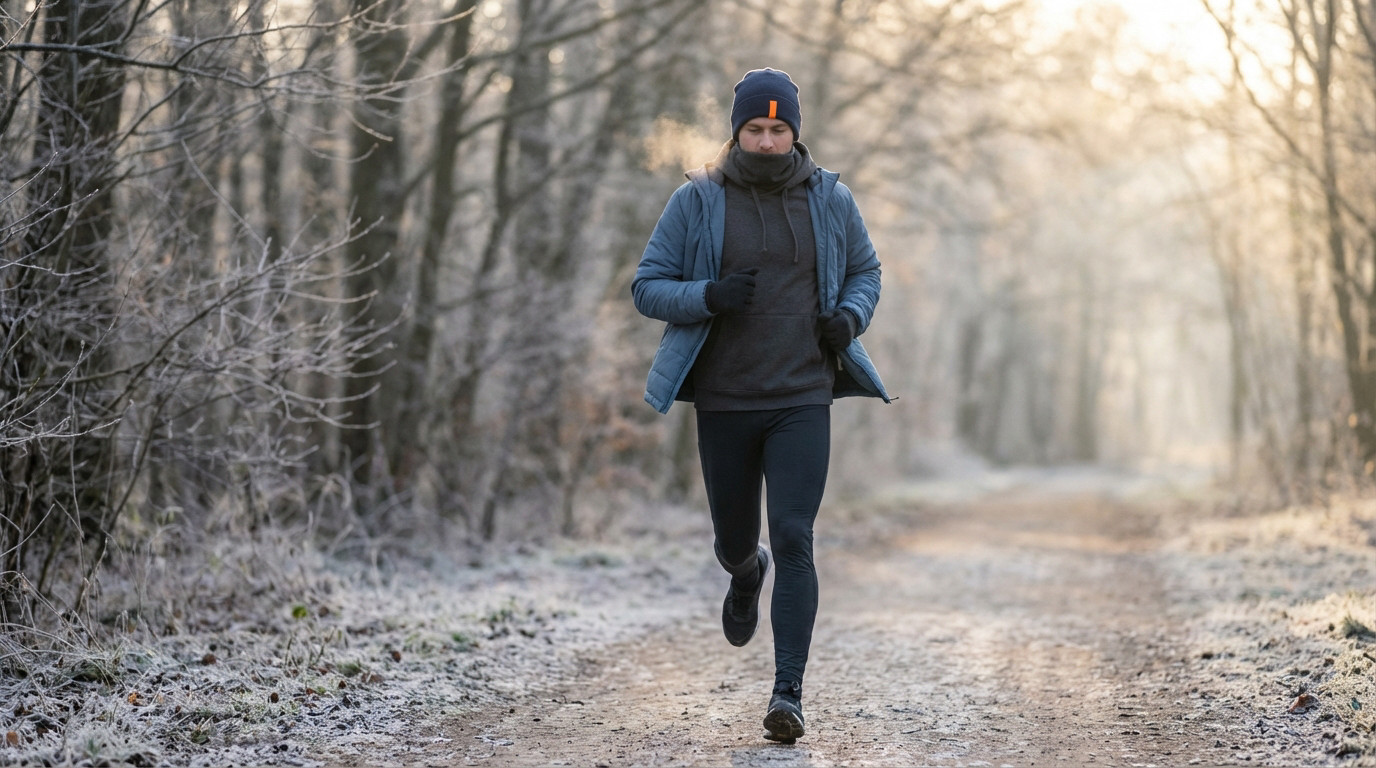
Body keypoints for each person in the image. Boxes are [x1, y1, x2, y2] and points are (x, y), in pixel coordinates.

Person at [631, 67, 890, 743]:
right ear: (737, 131)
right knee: (735, 541)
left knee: (797, 536)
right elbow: (648, 285)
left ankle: (788, 694)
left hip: (803, 395)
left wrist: (851, 317)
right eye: (756, 128)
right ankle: (747, 575)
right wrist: (707, 296)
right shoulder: (698, 200)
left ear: (795, 132)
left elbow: (867, 271)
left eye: (780, 129)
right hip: (725, 399)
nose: (768, 140)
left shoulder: (830, 200)